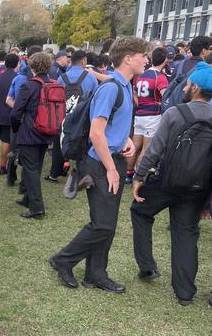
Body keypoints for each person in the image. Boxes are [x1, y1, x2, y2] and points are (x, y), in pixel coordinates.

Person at [49, 37, 149, 293]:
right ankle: (63, 260)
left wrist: (124, 139)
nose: (146, 59)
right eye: (142, 55)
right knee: (103, 224)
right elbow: (96, 133)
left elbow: (113, 123)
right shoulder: (112, 88)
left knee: (107, 223)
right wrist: (112, 168)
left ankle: (96, 273)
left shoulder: (124, 85)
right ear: (128, 58)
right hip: (99, 163)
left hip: (111, 158)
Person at [130, 62, 212, 307]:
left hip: (167, 182)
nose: (184, 86)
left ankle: (147, 267)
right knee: (186, 234)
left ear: (195, 88)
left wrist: (138, 177)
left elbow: (154, 150)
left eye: (187, 83)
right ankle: (185, 293)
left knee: (140, 210)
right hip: (198, 187)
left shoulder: (175, 113)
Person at [10, 52, 54, 219]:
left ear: (32, 66)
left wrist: (16, 129)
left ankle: (37, 208)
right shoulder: (51, 84)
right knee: (35, 167)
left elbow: (15, 113)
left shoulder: (29, 85)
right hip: (46, 132)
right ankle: (28, 198)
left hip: (29, 133)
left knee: (30, 170)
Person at [47, 50, 99, 182]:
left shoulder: (62, 77)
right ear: (84, 61)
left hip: (63, 116)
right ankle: (82, 174)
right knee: (83, 146)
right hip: (83, 118)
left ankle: (54, 173)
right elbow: (95, 98)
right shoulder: (90, 77)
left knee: (59, 144)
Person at [125, 47, 169, 184]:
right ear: (165, 60)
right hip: (152, 115)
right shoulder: (160, 77)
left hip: (140, 114)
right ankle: (139, 176)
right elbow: (165, 97)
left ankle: (128, 174)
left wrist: (141, 104)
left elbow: (134, 93)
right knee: (146, 148)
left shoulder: (142, 74)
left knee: (135, 145)